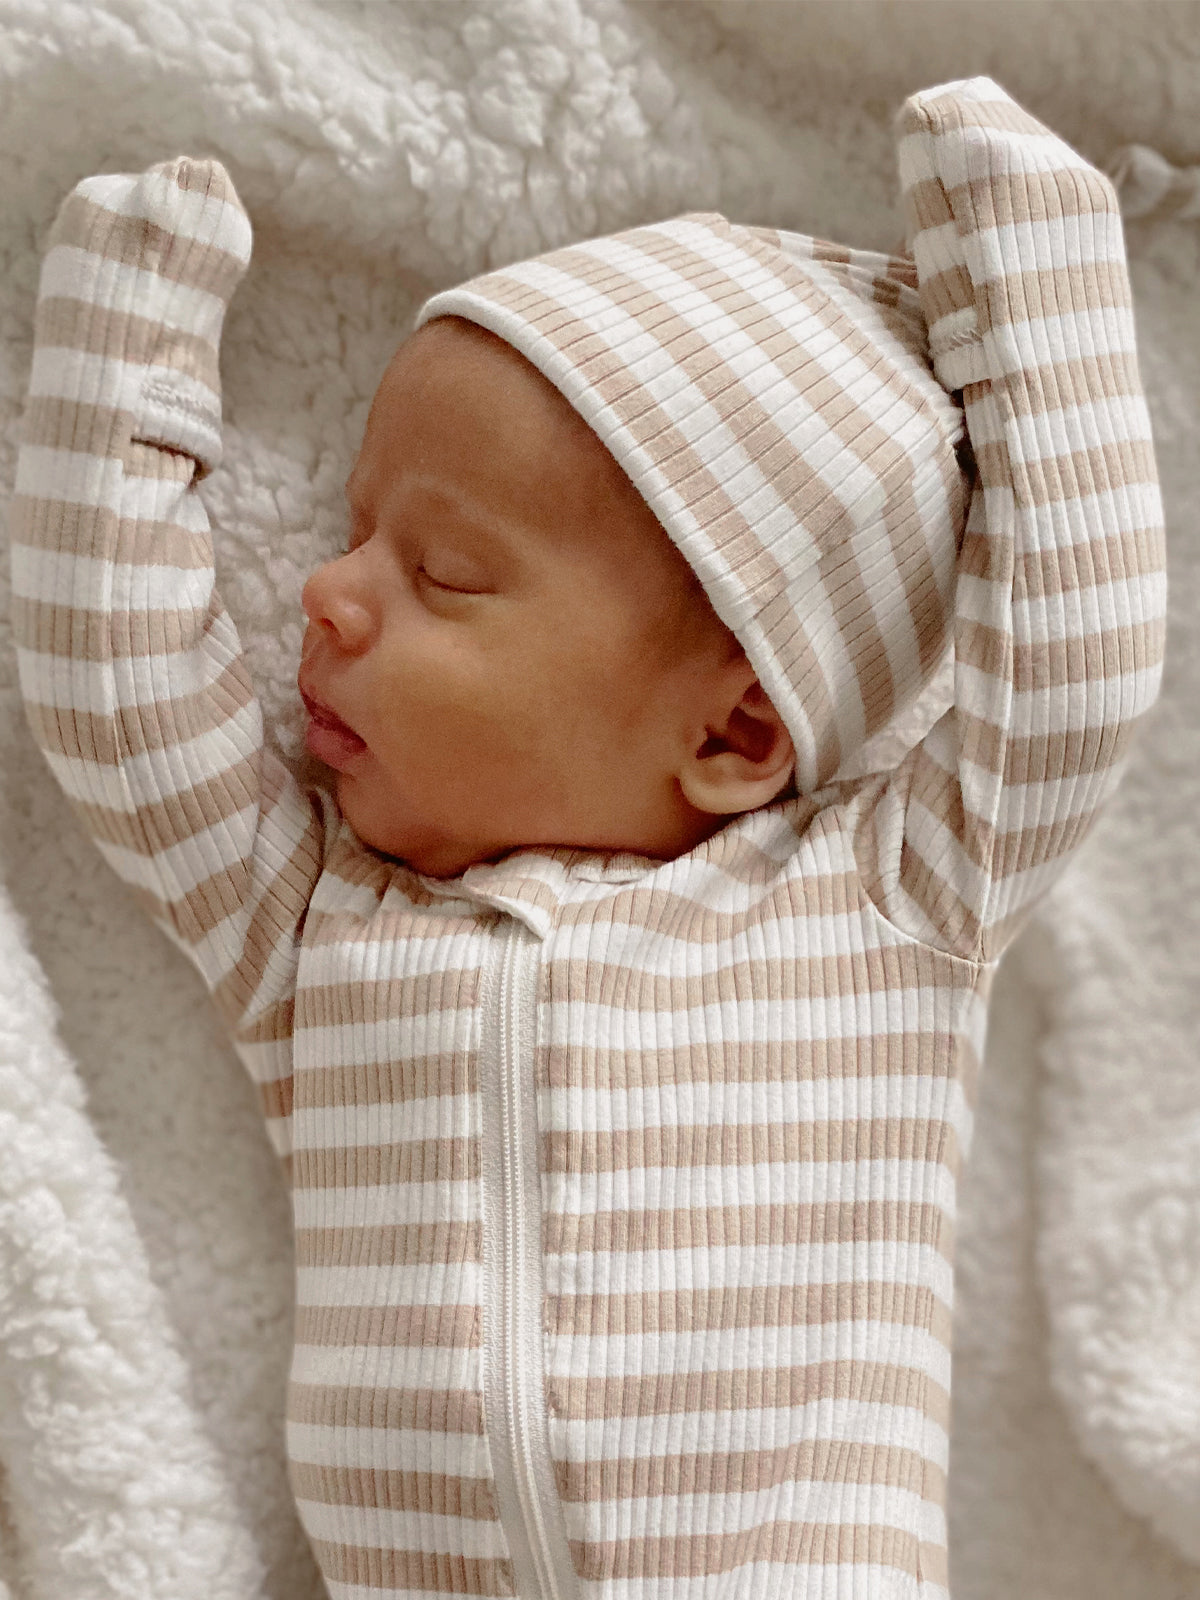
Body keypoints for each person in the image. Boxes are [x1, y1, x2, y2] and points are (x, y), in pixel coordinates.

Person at [9, 74, 1166, 1600]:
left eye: (445, 570)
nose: (326, 594)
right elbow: (119, 705)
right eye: (357, 534)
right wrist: (121, 370)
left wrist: (1022, 268)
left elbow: (1076, 666)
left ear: (736, 733)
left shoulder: (885, 908)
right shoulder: (319, 933)